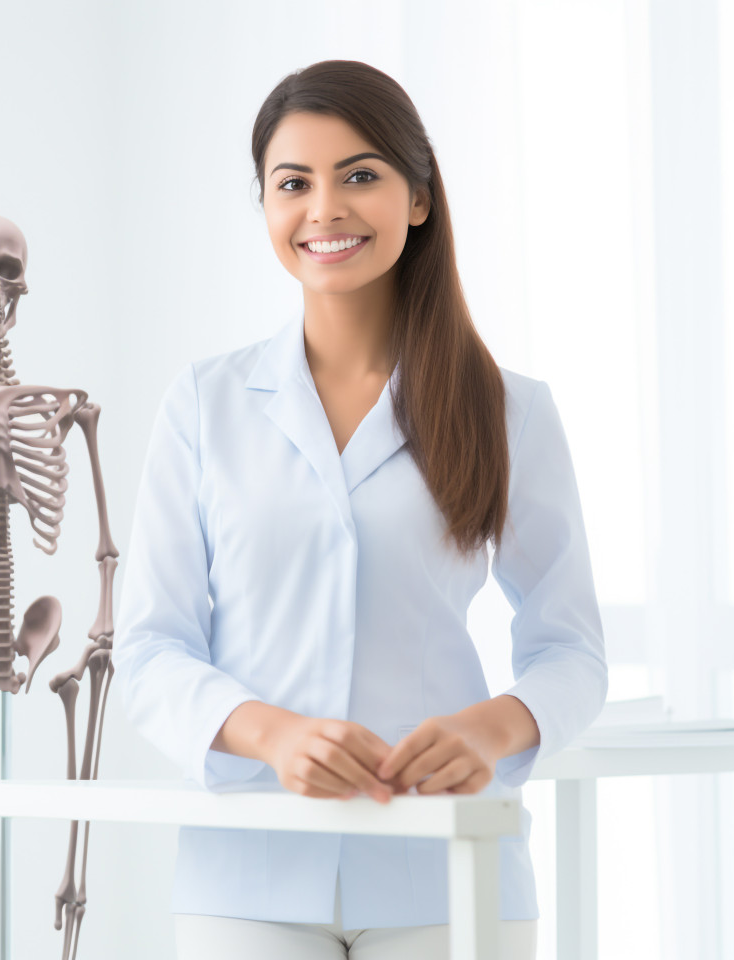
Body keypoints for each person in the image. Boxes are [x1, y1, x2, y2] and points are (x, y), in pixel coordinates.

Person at [112, 59, 608, 960]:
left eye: (361, 176)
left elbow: (570, 648)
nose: (324, 209)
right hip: (249, 876)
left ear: (418, 198)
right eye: (293, 183)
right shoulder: (204, 402)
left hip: (449, 869)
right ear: (263, 205)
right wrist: (271, 734)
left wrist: (489, 729)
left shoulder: (510, 410)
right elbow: (148, 648)